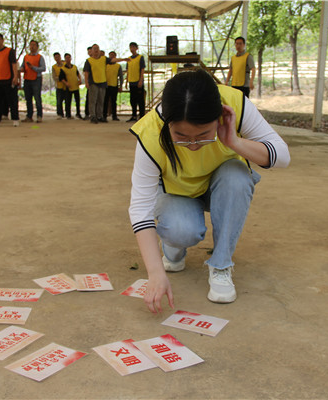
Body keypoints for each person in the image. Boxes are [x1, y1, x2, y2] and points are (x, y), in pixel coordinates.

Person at [128, 69, 290, 314]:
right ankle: (172, 249)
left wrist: (234, 141)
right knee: (181, 230)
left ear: (219, 118)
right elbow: (140, 208)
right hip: (178, 192)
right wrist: (155, 273)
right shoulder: (150, 132)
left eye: (204, 135)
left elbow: (283, 157)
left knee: (237, 174)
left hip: (222, 186)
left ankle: (221, 265)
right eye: (180, 136)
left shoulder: (234, 103)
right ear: (166, 123)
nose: (193, 145)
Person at [0, 32, 19, 127]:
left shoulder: (9, 51)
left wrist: (15, 77)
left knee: (12, 100)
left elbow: (14, 64)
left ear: (2, 40)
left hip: (8, 79)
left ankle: (15, 119)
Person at [83, 44, 111, 124]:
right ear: (91, 51)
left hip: (102, 83)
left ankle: (100, 116)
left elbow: (113, 60)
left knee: (101, 100)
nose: (96, 50)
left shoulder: (104, 59)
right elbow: (86, 72)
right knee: (93, 101)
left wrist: (123, 59)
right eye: (94, 49)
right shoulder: (89, 61)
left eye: (97, 49)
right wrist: (86, 82)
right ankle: (92, 116)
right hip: (93, 83)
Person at [21, 40, 46, 123]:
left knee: (37, 98)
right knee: (28, 99)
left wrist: (33, 67)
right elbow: (22, 66)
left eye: (34, 45)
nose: (32, 47)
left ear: (37, 47)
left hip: (36, 79)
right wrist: (21, 69)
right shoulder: (26, 57)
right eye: (31, 45)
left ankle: (39, 116)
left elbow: (43, 68)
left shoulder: (40, 57)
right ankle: (29, 116)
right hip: (27, 79)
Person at [124, 42, 145, 121]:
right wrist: (126, 81)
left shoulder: (140, 57)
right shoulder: (128, 59)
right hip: (131, 82)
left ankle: (142, 116)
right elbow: (128, 71)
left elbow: (142, 69)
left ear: (136, 48)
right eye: (130, 47)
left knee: (140, 100)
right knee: (132, 100)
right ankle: (134, 115)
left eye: (133, 47)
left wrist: (141, 80)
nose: (132, 49)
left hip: (138, 82)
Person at [58, 53, 82, 119]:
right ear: (65, 59)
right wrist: (66, 83)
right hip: (68, 87)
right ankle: (68, 114)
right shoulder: (63, 68)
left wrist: (80, 79)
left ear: (71, 58)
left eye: (69, 57)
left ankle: (78, 113)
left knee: (77, 101)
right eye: (66, 58)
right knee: (68, 101)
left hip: (76, 86)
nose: (68, 59)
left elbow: (78, 74)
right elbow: (61, 78)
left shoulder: (74, 67)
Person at [103, 51, 123, 121]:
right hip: (106, 86)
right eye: (110, 55)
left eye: (113, 55)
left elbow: (121, 76)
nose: (111, 56)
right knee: (105, 101)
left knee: (114, 102)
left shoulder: (118, 66)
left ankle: (114, 116)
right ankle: (104, 116)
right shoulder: (105, 65)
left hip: (114, 85)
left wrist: (120, 86)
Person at [51, 52, 66, 119]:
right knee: (59, 101)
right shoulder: (54, 67)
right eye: (55, 57)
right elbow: (54, 77)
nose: (57, 58)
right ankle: (60, 114)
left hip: (66, 85)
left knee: (67, 100)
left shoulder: (65, 64)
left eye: (58, 57)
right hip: (59, 85)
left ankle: (68, 113)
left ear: (60, 57)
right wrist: (60, 78)